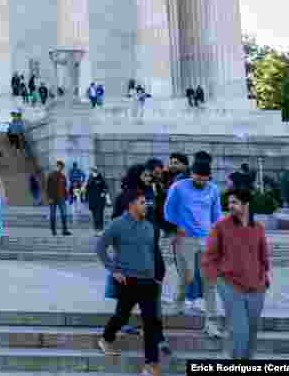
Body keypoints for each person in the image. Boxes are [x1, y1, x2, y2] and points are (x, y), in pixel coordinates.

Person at [95, 189, 165, 376]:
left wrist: (156, 276)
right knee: (122, 317)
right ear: (131, 204)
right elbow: (100, 247)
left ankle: (151, 364)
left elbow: (152, 253)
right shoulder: (117, 224)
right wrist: (113, 270)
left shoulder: (150, 227)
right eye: (142, 202)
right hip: (127, 280)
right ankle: (106, 338)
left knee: (150, 322)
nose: (146, 206)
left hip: (148, 281)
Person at [201, 188, 269, 360]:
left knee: (252, 330)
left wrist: (263, 279)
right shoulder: (220, 227)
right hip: (230, 285)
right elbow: (209, 256)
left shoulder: (258, 228)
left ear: (246, 205)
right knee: (240, 330)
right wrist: (217, 279)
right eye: (229, 202)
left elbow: (263, 257)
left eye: (234, 202)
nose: (230, 206)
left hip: (257, 287)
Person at [163, 159, 224, 337]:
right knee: (188, 276)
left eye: (205, 179)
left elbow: (217, 214)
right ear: (191, 174)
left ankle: (211, 322)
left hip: (206, 239)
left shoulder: (213, 189)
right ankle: (179, 301)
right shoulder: (179, 187)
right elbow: (168, 210)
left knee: (209, 281)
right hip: (184, 238)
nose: (201, 182)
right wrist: (176, 226)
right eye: (198, 178)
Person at [46, 161, 71, 236]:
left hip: (61, 198)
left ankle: (64, 230)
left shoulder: (63, 176)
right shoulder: (51, 175)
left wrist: (67, 196)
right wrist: (49, 198)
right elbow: (48, 188)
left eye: (62, 167)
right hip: (53, 198)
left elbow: (65, 188)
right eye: (59, 166)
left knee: (64, 214)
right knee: (53, 214)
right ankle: (53, 230)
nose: (60, 168)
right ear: (57, 166)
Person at [85, 167, 110, 233]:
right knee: (94, 215)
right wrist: (86, 198)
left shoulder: (101, 178)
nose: (93, 172)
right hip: (92, 200)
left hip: (100, 200)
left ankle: (100, 228)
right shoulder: (90, 179)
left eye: (94, 171)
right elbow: (87, 189)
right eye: (92, 171)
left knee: (99, 214)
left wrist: (103, 193)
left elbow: (105, 187)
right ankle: (96, 228)